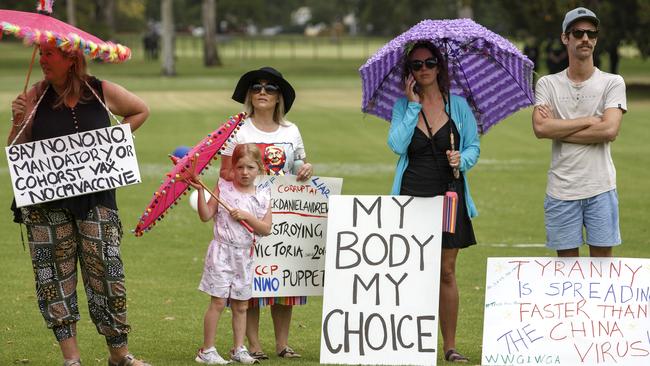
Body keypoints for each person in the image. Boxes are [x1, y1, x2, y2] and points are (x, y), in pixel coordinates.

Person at [8, 44, 150, 366]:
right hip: (47, 203)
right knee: (54, 276)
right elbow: (15, 148)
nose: (43, 60)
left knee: (107, 270)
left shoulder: (100, 90)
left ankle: (119, 354)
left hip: (96, 198)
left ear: (72, 59)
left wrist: (109, 145)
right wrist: (17, 120)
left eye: (49, 54)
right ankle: (71, 358)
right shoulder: (33, 96)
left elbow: (141, 110)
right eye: (40, 54)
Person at [388, 41, 480, 363]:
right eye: (416, 65)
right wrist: (413, 105)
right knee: (412, 270)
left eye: (429, 63)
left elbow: (474, 147)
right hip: (412, 194)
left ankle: (450, 346)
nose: (424, 69)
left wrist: (462, 159)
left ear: (439, 66)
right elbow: (396, 146)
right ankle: (413, 342)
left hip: (450, 194)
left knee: (446, 271)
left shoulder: (458, 106)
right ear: (409, 73)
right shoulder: (403, 107)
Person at [220, 67, 313, 360]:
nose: (262, 92)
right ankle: (254, 345)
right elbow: (224, 171)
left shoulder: (291, 131)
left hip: (285, 214)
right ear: (249, 94)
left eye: (270, 88)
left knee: (282, 280)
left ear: (279, 97)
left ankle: (282, 344)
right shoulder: (237, 129)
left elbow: (298, 165)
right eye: (257, 87)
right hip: (247, 216)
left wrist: (305, 169)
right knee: (252, 281)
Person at [532, 7, 626, 258]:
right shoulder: (547, 84)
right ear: (565, 37)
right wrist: (588, 121)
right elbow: (541, 128)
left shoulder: (613, 82)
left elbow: (609, 129)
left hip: (601, 188)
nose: (586, 38)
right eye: (578, 33)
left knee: (603, 269)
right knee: (567, 272)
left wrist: (559, 129)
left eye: (591, 33)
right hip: (561, 190)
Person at [189, 143, 272, 365]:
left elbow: (265, 229)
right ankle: (207, 350)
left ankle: (238, 348)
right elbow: (205, 216)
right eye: (240, 167)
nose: (245, 172)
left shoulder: (263, 196)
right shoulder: (223, 189)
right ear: (233, 167)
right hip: (221, 252)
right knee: (217, 302)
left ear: (259, 169)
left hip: (244, 256)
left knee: (241, 305)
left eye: (251, 168)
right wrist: (199, 191)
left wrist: (247, 216)